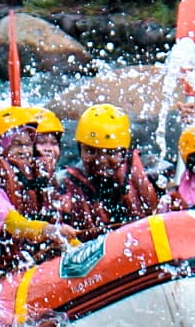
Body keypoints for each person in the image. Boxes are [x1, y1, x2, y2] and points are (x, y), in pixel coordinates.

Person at [0, 105, 78, 285]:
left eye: (28, 144)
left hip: (17, 262)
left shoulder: (30, 179)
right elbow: (17, 225)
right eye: (16, 144)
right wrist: (52, 231)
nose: (25, 151)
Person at [56, 103, 160, 240]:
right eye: (91, 151)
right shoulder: (64, 182)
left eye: (111, 153)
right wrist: (59, 231)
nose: (101, 160)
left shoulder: (149, 172)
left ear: (124, 152)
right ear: (79, 149)